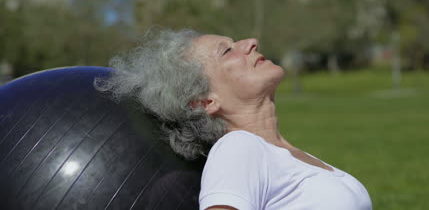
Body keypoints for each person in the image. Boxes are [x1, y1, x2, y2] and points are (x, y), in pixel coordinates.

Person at [95, 29, 372, 210]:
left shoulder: (280, 154)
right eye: (226, 51)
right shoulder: (238, 149)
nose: (250, 42)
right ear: (205, 101)